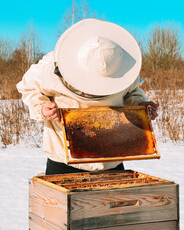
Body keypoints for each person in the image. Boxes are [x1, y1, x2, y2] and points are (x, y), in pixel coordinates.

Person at [16, 19, 159, 175]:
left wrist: (141, 106)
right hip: (64, 160)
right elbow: (28, 87)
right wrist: (42, 108)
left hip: (112, 159)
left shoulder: (123, 67)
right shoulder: (49, 67)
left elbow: (132, 92)